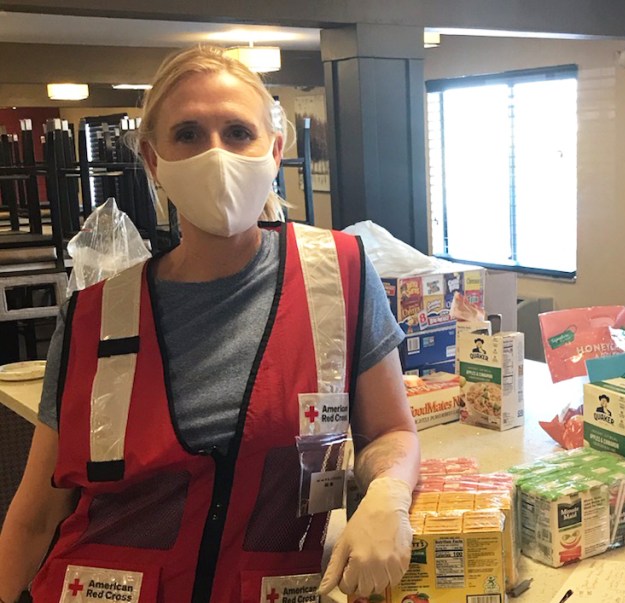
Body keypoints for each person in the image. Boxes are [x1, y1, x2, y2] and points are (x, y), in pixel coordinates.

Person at [0, 45, 419, 602]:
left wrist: (388, 492)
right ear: (153, 160)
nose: (215, 155)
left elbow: (391, 430)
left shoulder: (337, 276)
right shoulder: (95, 317)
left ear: (274, 151)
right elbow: (35, 517)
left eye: (238, 133)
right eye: (189, 134)